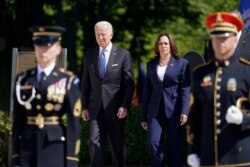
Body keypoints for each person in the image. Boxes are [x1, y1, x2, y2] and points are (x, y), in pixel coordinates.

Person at [11, 26, 82, 167]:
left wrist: (71, 160)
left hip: (54, 146)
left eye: (47, 47)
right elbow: (17, 121)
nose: (42, 51)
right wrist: (15, 156)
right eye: (39, 46)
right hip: (27, 146)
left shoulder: (68, 80)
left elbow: (74, 125)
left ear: (58, 49)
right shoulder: (23, 79)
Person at [187, 12, 250, 166]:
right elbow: (194, 117)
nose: (220, 42)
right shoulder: (200, 74)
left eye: (225, 37)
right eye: (216, 36)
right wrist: (193, 151)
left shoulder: (246, 72)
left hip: (239, 159)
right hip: (209, 157)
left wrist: (244, 118)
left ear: (235, 38)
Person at [81, 21, 135, 167]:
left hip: (116, 109)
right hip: (95, 108)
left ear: (110, 35)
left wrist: (125, 105)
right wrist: (84, 106)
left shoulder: (123, 55)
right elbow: (85, 83)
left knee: (117, 146)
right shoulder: (89, 55)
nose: (100, 37)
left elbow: (129, 84)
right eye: (97, 34)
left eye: (103, 34)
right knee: (93, 141)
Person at [141, 32, 191, 167]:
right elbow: (147, 91)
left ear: (171, 45)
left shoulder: (182, 64)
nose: (163, 46)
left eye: (165, 43)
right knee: (153, 142)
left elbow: (185, 89)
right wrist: (143, 116)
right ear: (157, 46)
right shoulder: (151, 64)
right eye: (160, 43)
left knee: (174, 143)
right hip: (154, 110)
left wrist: (184, 111)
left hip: (174, 109)